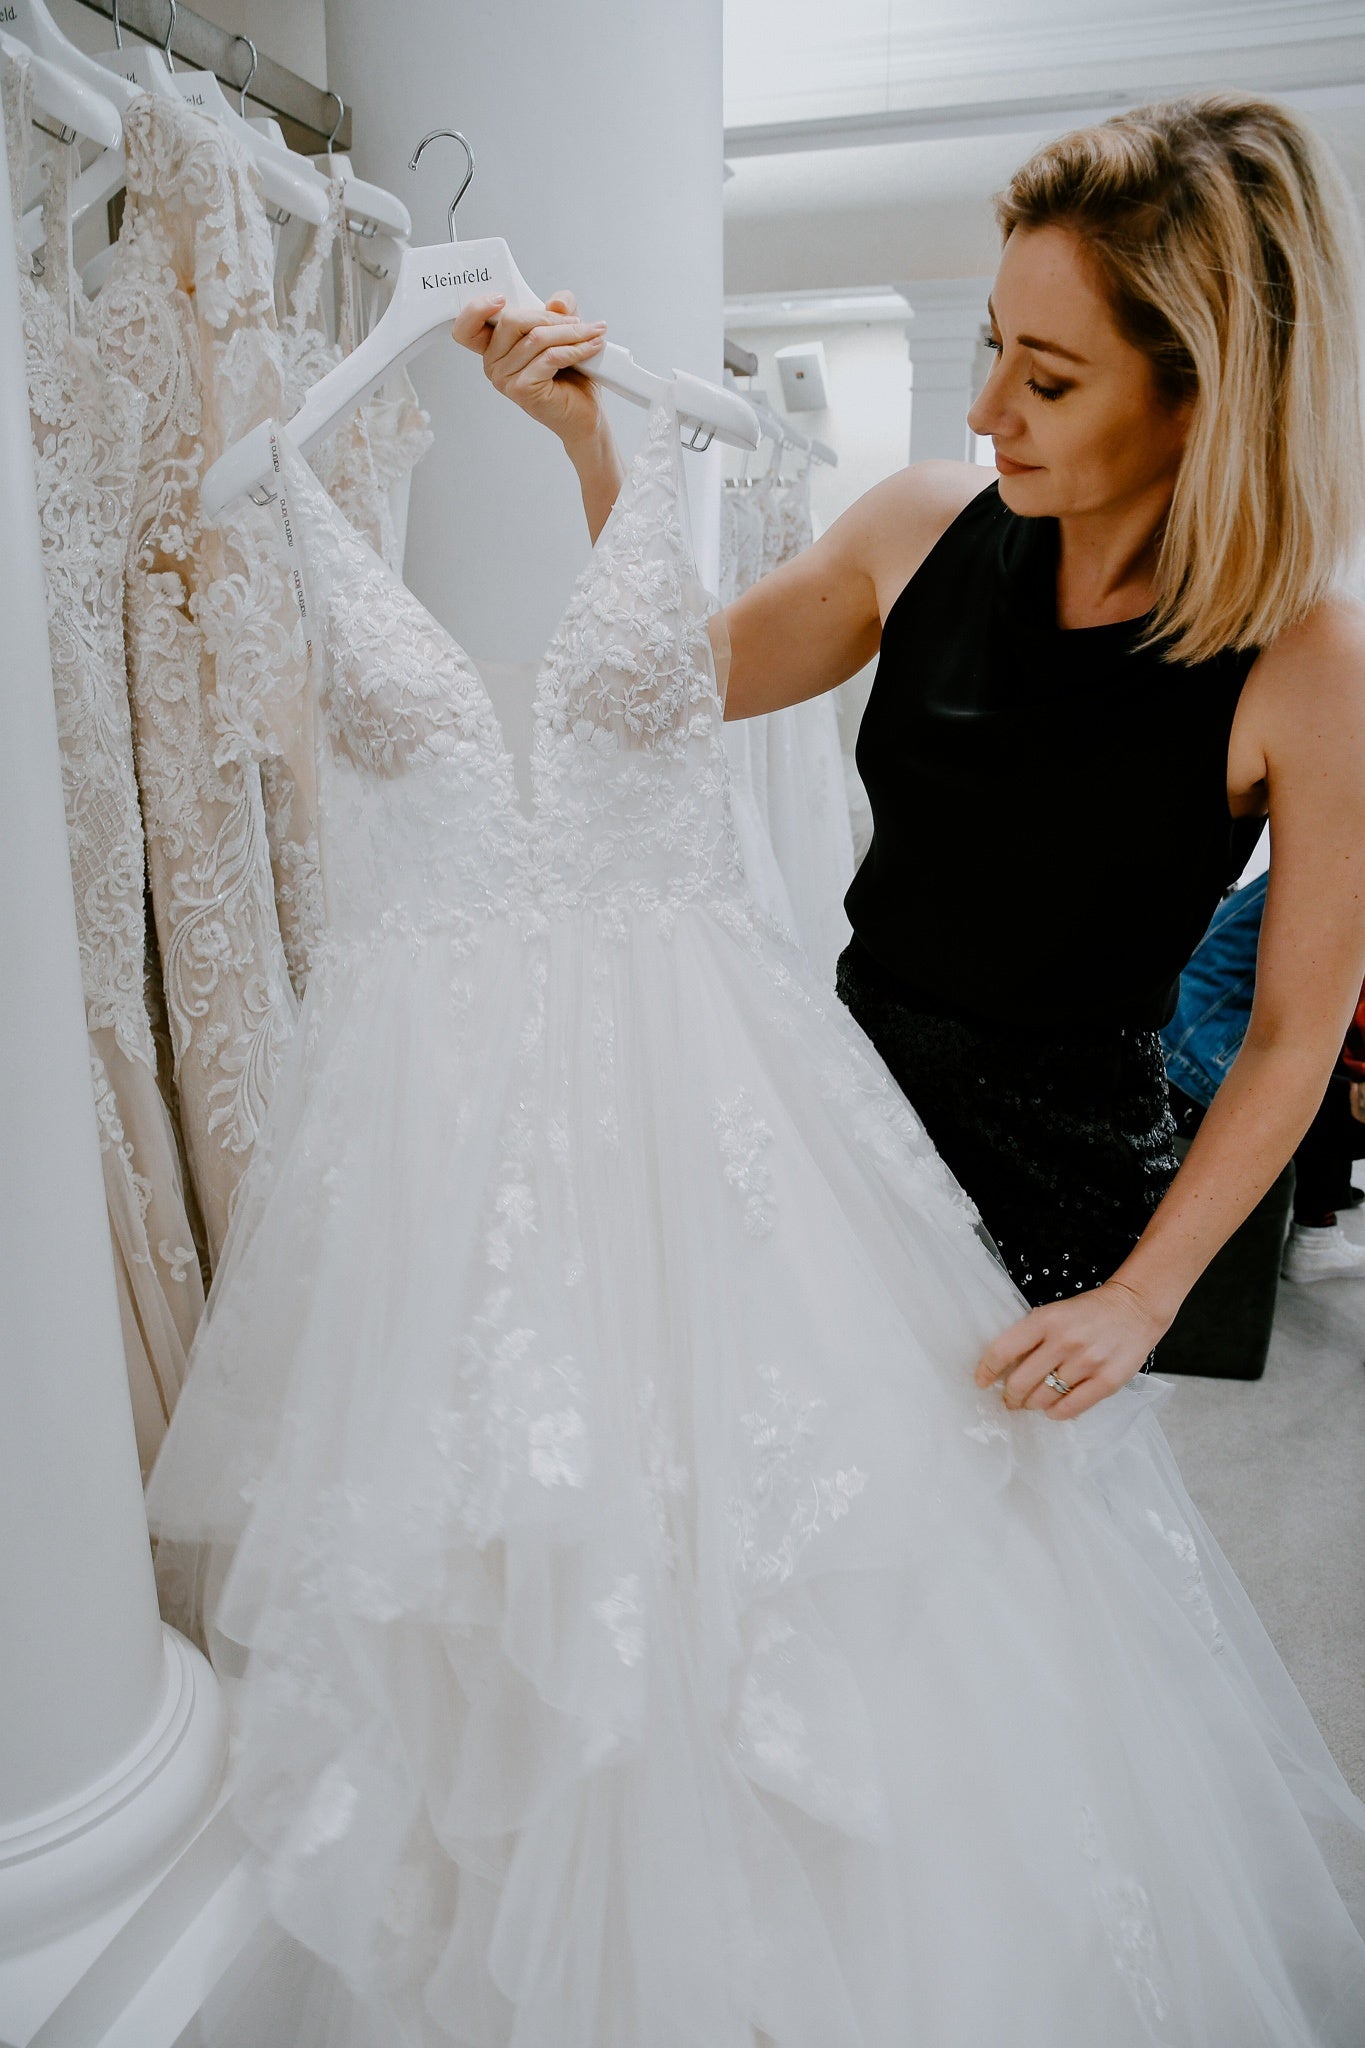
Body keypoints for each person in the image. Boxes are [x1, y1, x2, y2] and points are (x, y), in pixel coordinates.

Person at [453, 92, 1365, 1415]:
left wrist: (1142, 1294)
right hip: (843, 1133)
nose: (988, 406)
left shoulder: (1308, 664)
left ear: (1201, 398)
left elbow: (1290, 1035)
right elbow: (672, 682)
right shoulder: (926, 526)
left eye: (1047, 378)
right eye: (994, 345)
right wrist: (592, 444)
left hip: (1059, 1212)